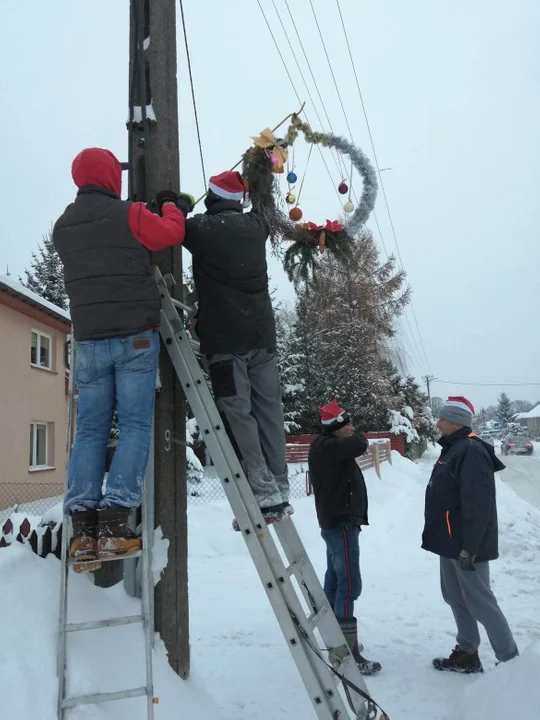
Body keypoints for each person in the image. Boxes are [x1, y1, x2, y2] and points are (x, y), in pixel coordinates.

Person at [53, 147, 192, 569]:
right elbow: (170, 234)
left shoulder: (63, 226)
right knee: (134, 425)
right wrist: (171, 205)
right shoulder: (129, 215)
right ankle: (115, 526)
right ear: (113, 177)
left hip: (90, 341)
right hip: (134, 338)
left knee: (91, 431)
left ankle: (82, 532)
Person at [183, 170, 290, 526]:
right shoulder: (257, 226)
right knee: (269, 410)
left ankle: (261, 488)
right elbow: (265, 208)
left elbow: (168, 227)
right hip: (263, 338)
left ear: (212, 197)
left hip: (226, 343)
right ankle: (279, 485)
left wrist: (175, 204)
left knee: (239, 411)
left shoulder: (200, 229)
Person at [423, 396, 519, 673]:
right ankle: (467, 652)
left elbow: (478, 506)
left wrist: (471, 547)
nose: (438, 421)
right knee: (455, 597)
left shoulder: (471, 451)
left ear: (455, 421)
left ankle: (512, 664)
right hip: (449, 543)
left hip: (466, 545)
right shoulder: (453, 447)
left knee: (481, 602)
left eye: (442, 417)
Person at [308, 399, 382, 675]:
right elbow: (359, 444)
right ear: (334, 428)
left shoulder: (327, 446)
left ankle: (336, 640)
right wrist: (355, 433)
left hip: (339, 523)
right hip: (339, 524)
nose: (352, 428)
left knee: (337, 580)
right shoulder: (327, 446)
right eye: (346, 424)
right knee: (350, 584)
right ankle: (347, 653)